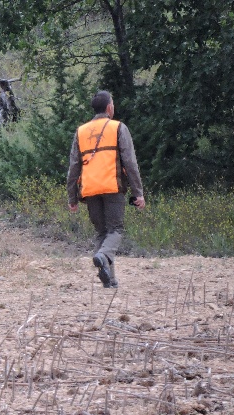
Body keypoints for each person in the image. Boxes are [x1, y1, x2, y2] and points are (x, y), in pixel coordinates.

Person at [67, 90, 145, 288]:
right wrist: (138, 193)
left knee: (102, 233)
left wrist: (72, 198)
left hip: (90, 189)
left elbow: (74, 167)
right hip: (112, 186)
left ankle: (109, 279)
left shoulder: (81, 131)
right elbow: (130, 163)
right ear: (109, 107)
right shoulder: (118, 127)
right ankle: (102, 256)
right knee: (116, 229)